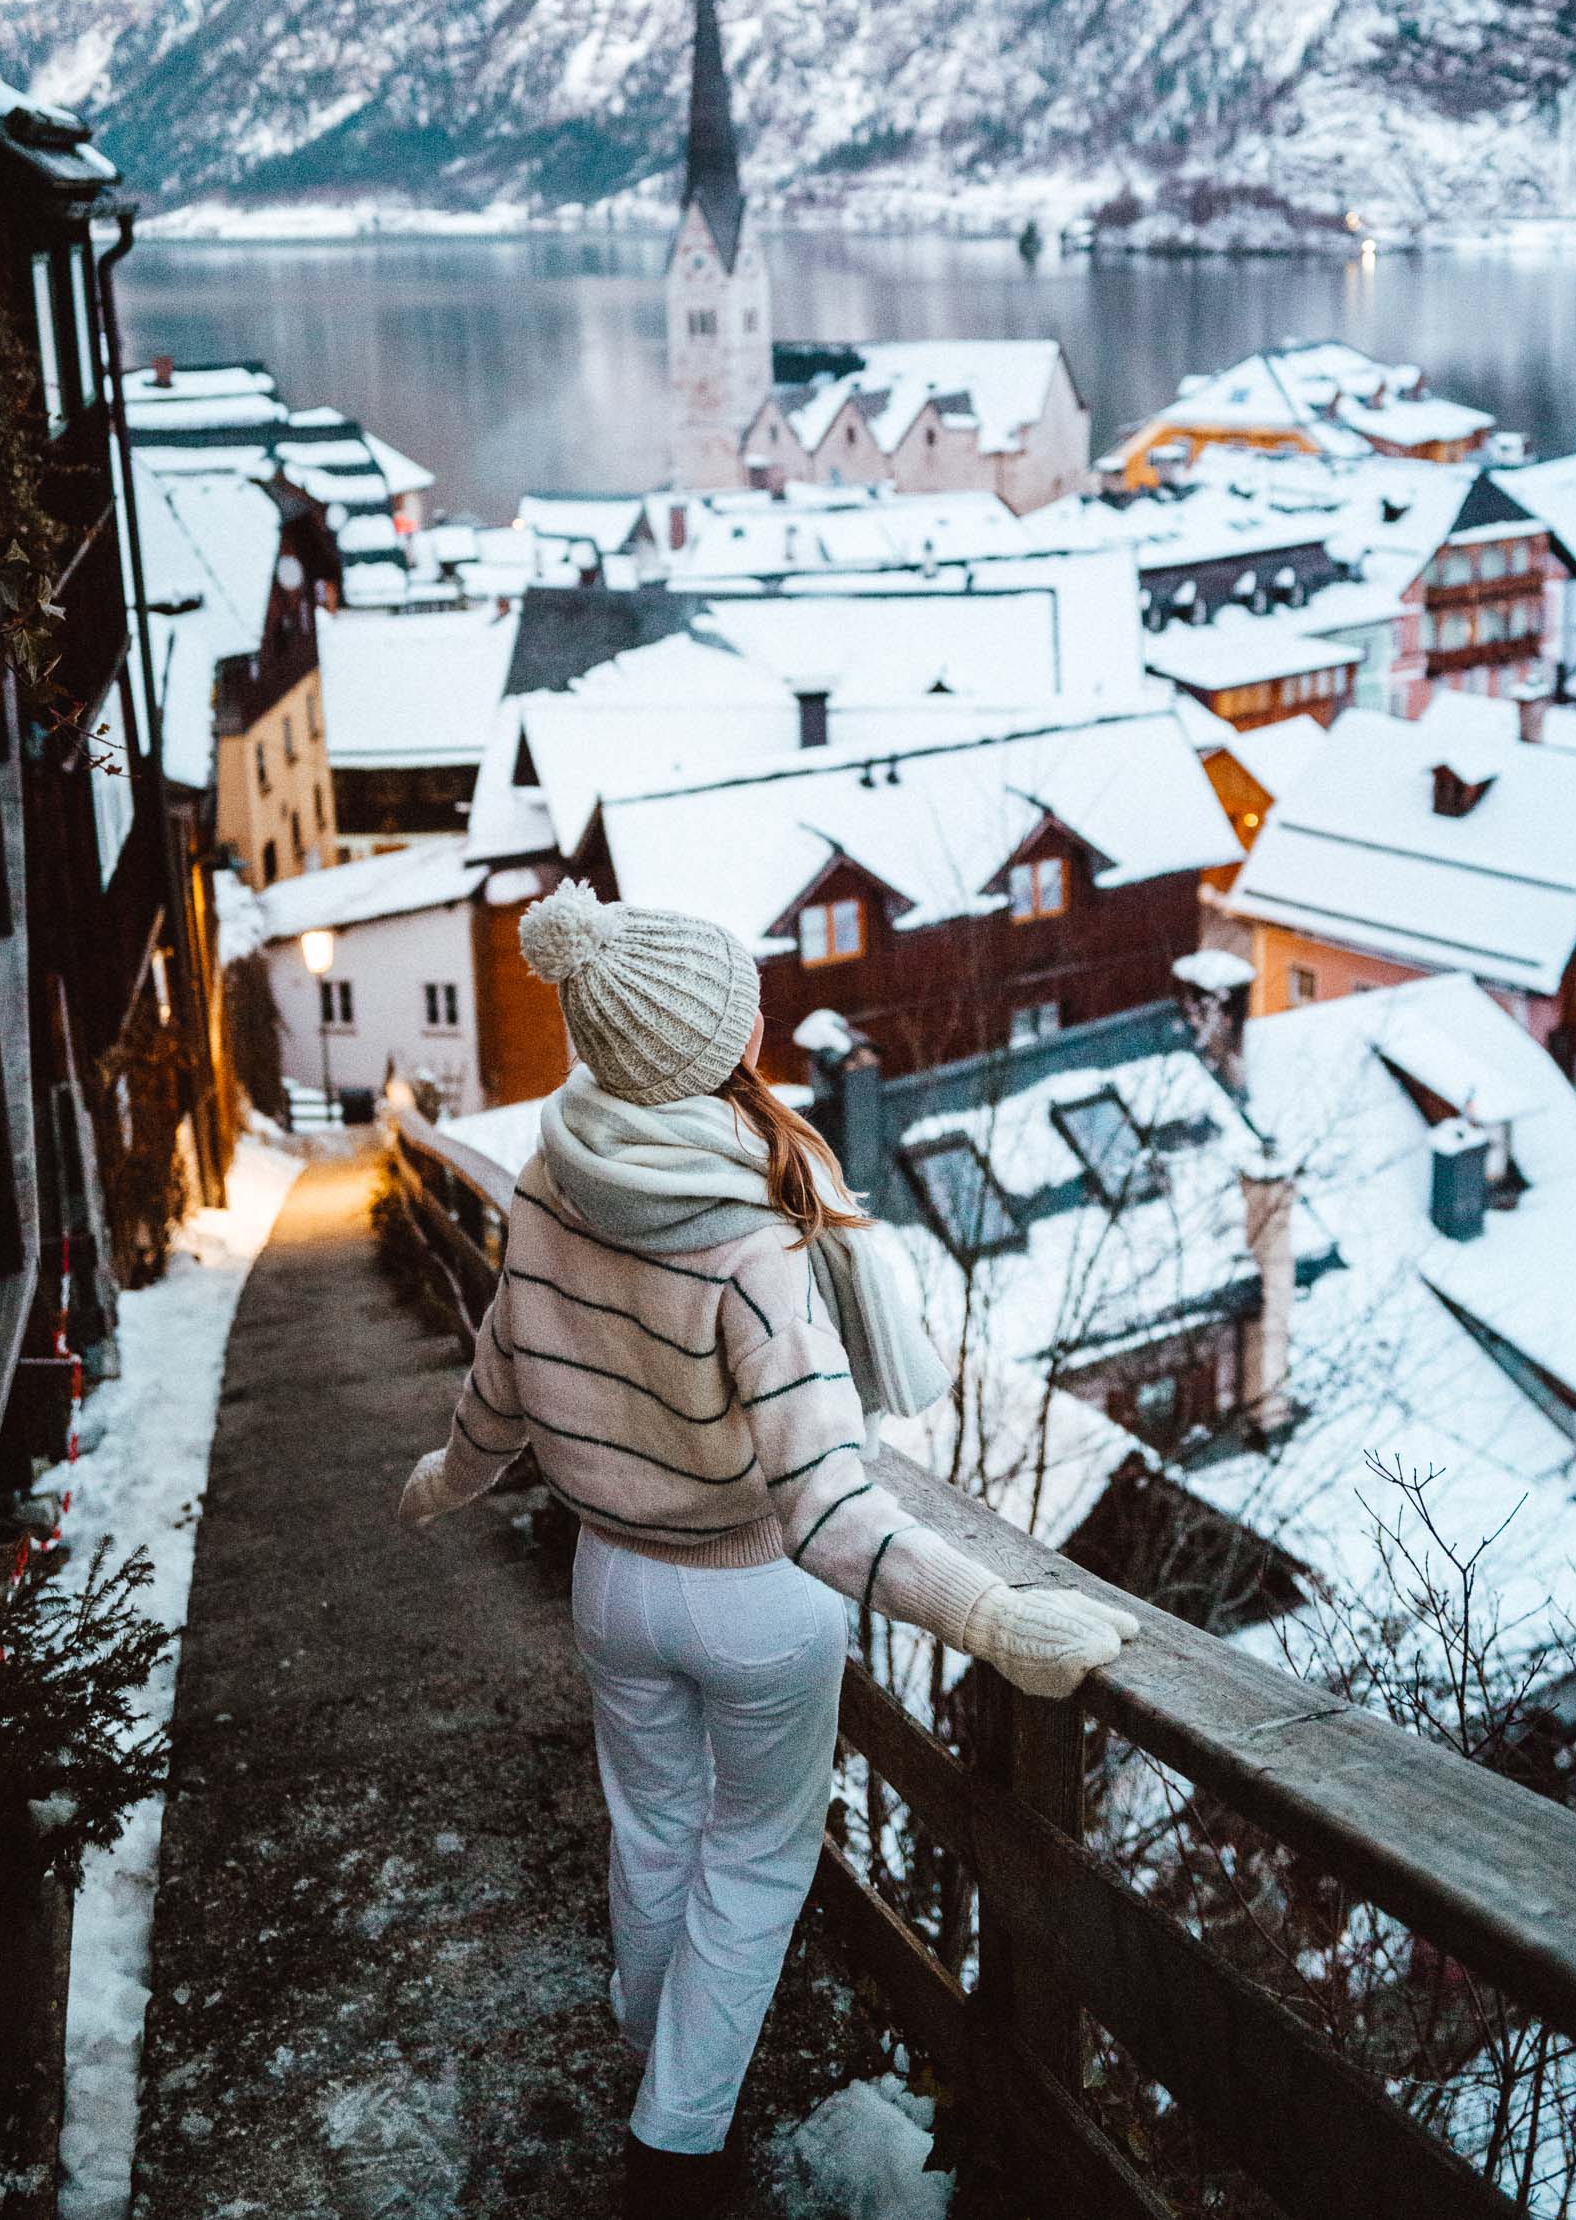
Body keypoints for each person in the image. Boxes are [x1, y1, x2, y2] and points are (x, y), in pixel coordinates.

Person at [398, 880, 1138, 2219]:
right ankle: (674, 2152)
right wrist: (998, 1618)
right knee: (751, 1859)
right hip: (755, 1598)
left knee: (653, 1831)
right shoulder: (754, 1242)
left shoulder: (553, 1182)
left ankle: (651, 2050)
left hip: (612, 1582)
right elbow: (833, 1510)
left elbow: (500, 1384)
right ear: (721, 1046)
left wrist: (447, 1476)